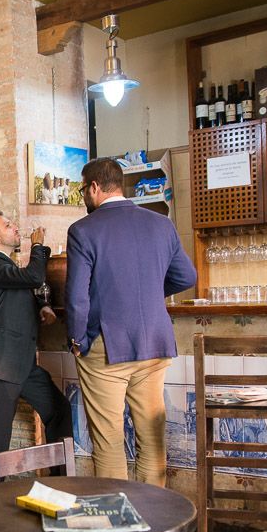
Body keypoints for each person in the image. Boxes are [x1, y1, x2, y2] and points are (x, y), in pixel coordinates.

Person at [65, 157, 196, 486]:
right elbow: (187, 276)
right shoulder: (160, 224)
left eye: (84, 190)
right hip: (155, 342)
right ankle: (153, 522)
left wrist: (77, 340)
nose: (84, 196)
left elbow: (77, 297)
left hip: (107, 348)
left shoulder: (83, 230)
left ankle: (118, 527)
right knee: (151, 439)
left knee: (108, 442)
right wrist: (151, 290)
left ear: (94, 187)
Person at [0, 211, 71, 454]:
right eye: (8, 225)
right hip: (1, 363)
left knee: (59, 410)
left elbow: (18, 288)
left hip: (21, 362)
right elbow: (33, 276)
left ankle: (61, 480)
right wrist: (37, 246)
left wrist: (43, 305)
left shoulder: (1, 265)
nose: (15, 227)